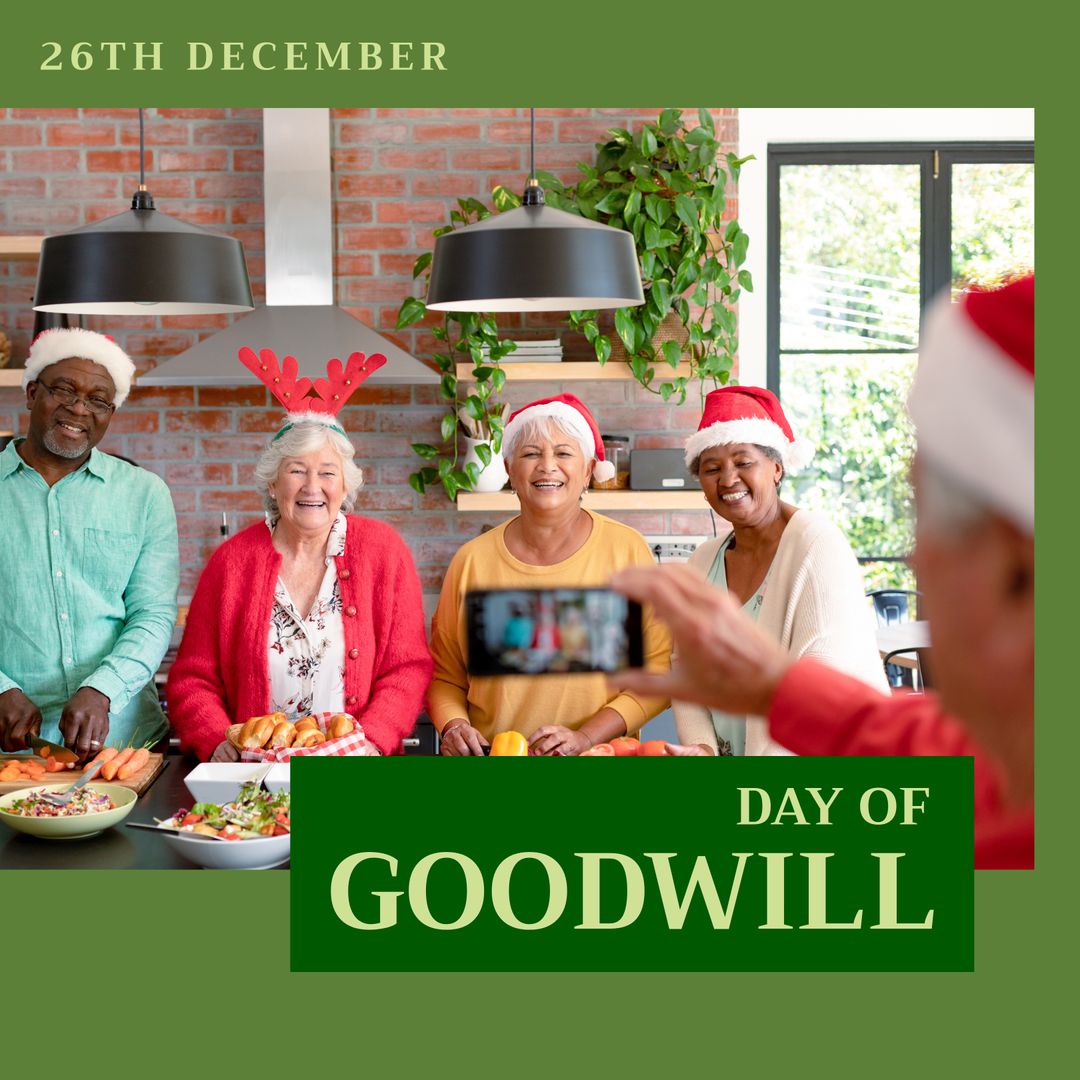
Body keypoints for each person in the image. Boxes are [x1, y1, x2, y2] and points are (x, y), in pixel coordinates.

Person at [612, 275, 1035, 870]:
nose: (914, 560)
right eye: (711, 467)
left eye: (927, 526)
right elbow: (909, 740)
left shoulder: (816, 543)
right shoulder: (1001, 755)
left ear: (1014, 560)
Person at [167, 348, 432, 761]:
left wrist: (373, 740)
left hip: (355, 769)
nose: (313, 487)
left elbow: (407, 668)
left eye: (327, 472)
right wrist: (216, 739)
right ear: (273, 485)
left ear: (345, 486)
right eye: (296, 471)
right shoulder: (231, 562)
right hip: (254, 775)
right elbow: (192, 678)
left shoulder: (384, 553)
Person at [429, 393, 671, 755]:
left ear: (588, 469)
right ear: (510, 470)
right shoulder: (471, 562)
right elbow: (445, 676)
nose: (547, 466)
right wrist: (454, 724)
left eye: (562, 453)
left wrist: (585, 738)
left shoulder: (627, 553)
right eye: (530, 454)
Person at [674, 386, 887, 755]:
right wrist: (703, 750)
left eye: (743, 462)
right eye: (712, 469)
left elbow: (817, 683)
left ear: (776, 468)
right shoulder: (702, 562)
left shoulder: (817, 545)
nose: (727, 479)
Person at [0, 328, 179, 759]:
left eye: (98, 400)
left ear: (110, 412)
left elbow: (152, 613)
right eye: (63, 389)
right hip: (11, 749)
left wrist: (104, 688)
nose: (78, 409)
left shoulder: (144, 493)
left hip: (125, 746)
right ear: (31, 393)